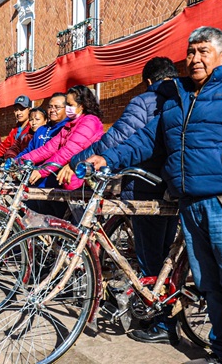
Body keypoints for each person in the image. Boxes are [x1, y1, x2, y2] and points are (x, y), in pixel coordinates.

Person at [86, 27, 222, 364]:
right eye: (191, 52)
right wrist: (109, 157)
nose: (194, 59)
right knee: (209, 286)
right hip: (189, 204)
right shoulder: (179, 98)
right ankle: (221, 354)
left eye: (203, 52)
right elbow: (146, 140)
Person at [60, 57, 181, 345]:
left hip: (145, 186)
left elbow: (118, 140)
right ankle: (164, 314)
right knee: (165, 255)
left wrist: (80, 160)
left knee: (151, 257)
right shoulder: (182, 100)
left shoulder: (146, 101)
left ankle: (161, 322)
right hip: (172, 185)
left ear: (149, 81)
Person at [16, 92, 69, 162]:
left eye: (57, 107)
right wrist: (14, 161)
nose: (52, 110)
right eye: (50, 107)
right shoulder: (41, 130)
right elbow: (29, 150)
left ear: (67, 109)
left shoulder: (69, 127)